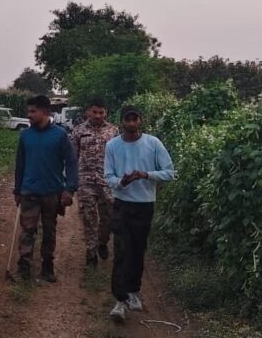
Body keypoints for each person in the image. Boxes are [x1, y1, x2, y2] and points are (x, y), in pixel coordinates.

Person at [103, 104, 175, 322]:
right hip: (122, 205)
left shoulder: (153, 143)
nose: (131, 123)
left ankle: (134, 290)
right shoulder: (113, 146)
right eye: (127, 120)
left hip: (144, 205)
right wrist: (122, 181)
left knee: (137, 250)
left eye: (135, 119)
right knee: (122, 250)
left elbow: (169, 173)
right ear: (121, 122)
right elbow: (108, 177)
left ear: (140, 121)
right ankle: (119, 301)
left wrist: (145, 174)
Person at [13, 95, 78, 283]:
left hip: (52, 192)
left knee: (49, 231)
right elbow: (20, 164)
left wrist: (70, 189)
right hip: (29, 191)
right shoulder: (25, 135)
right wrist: (17, 190)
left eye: (33, 111)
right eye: (28, 111)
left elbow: (71, 162)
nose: (29, 115)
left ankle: (47, 266)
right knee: (27, 230)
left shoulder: (60, 135)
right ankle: (24, 267)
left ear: (45, 112)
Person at [70, 97, 119, 268]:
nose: (98, 115)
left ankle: (102, 241)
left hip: (107, 180)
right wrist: (70, 181)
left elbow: (118, 157)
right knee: (89, 217)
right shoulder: (78, 131)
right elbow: (72, 157)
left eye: (101, 112)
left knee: (109, 216)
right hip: (86, 181)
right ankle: (91, 253)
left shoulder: (114, 131)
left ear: (106, 112)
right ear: (88, 112)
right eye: (94, 112)